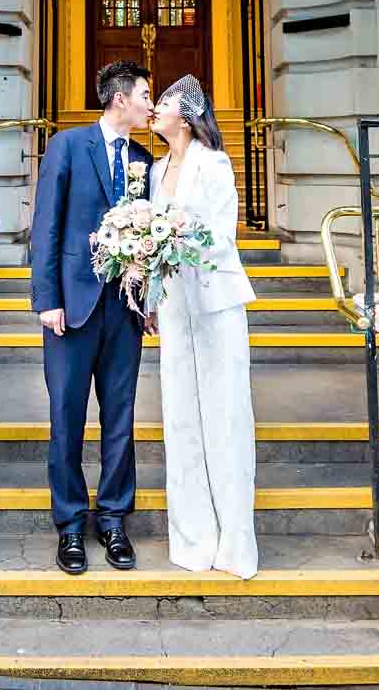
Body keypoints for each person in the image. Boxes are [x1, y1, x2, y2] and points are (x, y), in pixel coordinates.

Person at [30, 60, 155, 575]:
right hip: (72, 307)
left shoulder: (145, 159)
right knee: (66, 418)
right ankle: (70, 526)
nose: (152, 103)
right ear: (120, 98)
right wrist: (46, 299)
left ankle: (113, 520)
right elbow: (46, 226)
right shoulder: (67, 146)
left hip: (123, 308)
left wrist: (148, 301)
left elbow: (150, 237)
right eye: (147, 94)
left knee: (121, 418)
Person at [149, 73, 258, 579]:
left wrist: (172, 237)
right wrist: (148, 293)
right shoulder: (153, 170)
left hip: (215, 303)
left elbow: (220, 235)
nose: (156, 108)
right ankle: (193, 538)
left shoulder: (214, 164)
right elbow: (148, 241)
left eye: (164, 101)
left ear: (186, 116)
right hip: (173, 306)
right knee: (181, 419)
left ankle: (235, 543)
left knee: (225, 415)